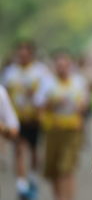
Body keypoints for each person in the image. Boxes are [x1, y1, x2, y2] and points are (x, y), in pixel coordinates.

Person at [1, 40, 51, 200]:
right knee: (19, 149)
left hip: (35, 118)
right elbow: (4, 94)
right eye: (20, 54)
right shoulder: (10, 72)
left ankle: (32, 178)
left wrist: (36, 99)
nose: (22, 57)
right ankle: (21, 185)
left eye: (25, 54)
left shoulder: (40, 71)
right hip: (17, 118)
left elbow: (47, 92)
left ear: (31, 55)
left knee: (34, 150)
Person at [40, 51, 88, 200]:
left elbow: (84, 105)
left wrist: (77, 106)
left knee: (66, 168)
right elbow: (40, 106)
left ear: (70, 66)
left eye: (65, 65)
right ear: (55, 67)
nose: (62, 68)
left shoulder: (78, 82)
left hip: (72, 131)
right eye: (59, 65)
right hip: (53, 130)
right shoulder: (47, 83)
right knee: (53, 170)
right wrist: (53, 102)